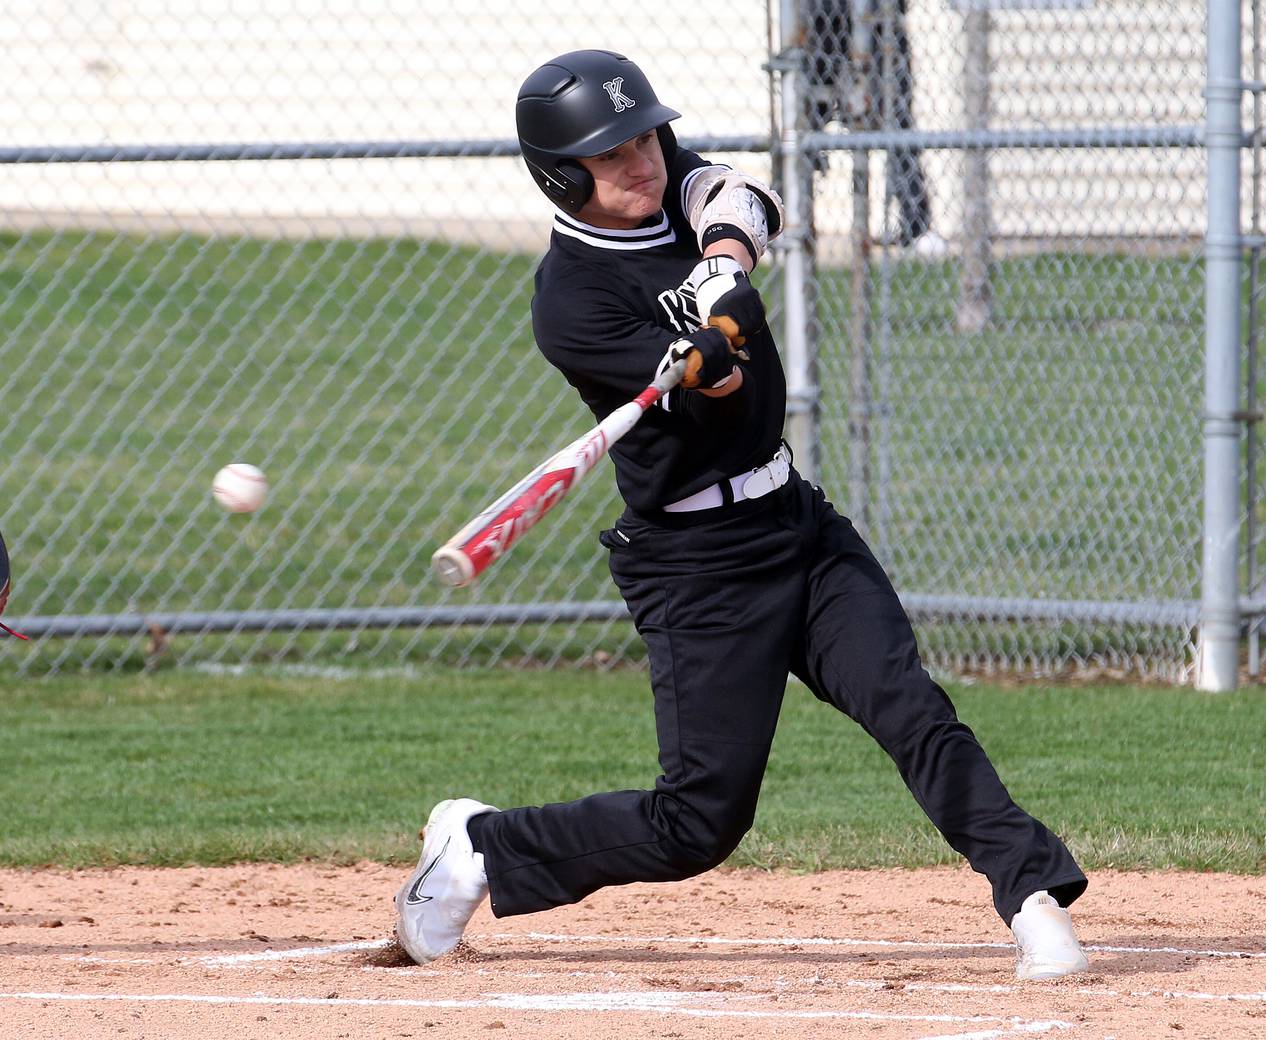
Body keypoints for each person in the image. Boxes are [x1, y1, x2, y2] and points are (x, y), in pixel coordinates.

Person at [394, 48, 1088, 981]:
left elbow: (742, 197)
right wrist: (708, 338)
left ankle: (1031, 896)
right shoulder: (573, 306)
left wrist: (722, 266)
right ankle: (482, 847)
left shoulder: (676, 182)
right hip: (696, 564)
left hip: (795, 523)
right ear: (563, 175)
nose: (641, 161)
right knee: (698, 824)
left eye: (644, 136)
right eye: (611, 154)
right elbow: (718, 379)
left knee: (908, 705)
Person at [804, 0, 937, 251]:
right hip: (827, 21)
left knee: (896, 119)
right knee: (808, 122)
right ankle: (789, 221)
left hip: (879, 23)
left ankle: (916, 224)